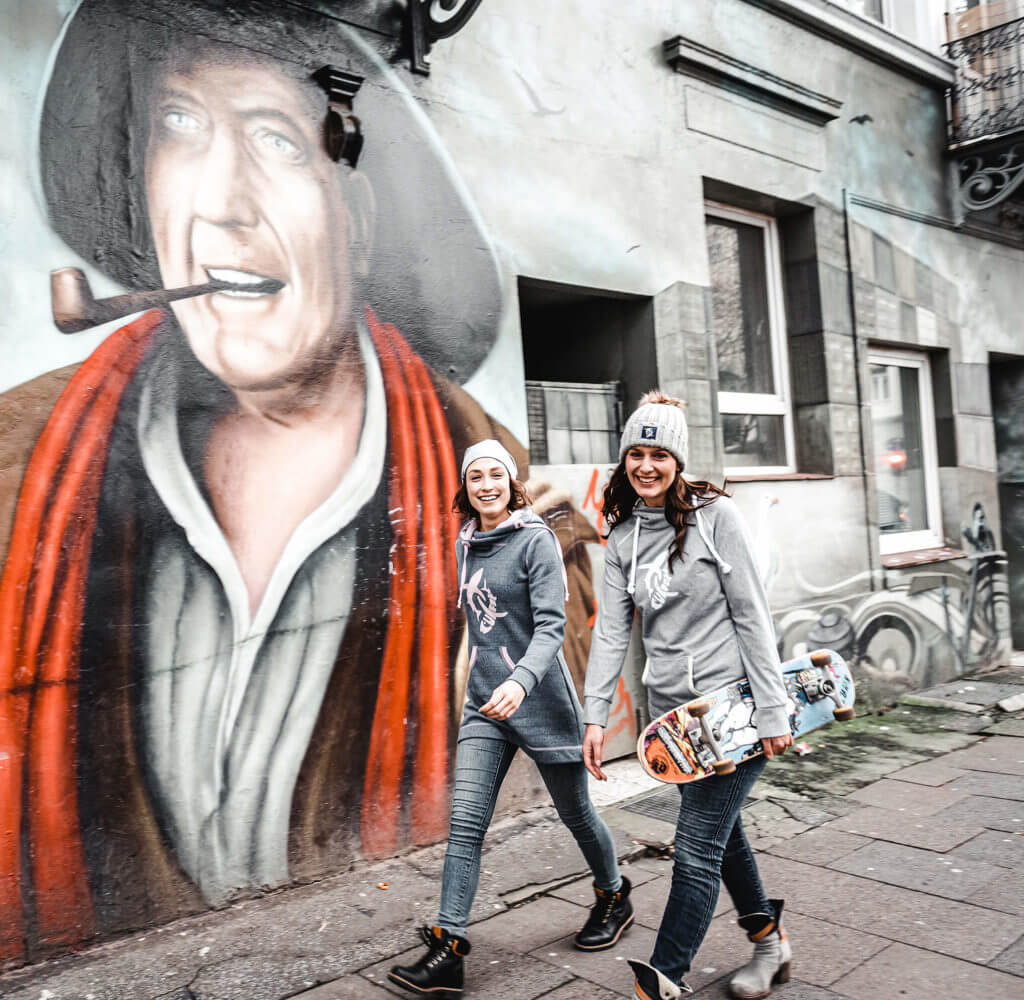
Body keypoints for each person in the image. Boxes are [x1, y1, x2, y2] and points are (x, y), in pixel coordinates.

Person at [0, 1, 596, 963]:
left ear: (356, 221)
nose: (221, 205)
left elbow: (561, 658)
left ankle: (562, 895)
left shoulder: (485, 469)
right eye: (180, 126)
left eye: (276, 139)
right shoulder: (20, 460)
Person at [388, 440, 632, 1000]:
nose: (486, 485)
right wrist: (483, 683)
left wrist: (520, 681)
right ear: (466, 487)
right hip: (486, 705)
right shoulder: (466, 541)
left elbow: (550, 628)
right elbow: (482, 627)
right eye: (475, 476)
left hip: (541, 701)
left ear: (510, 482)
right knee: (466, 822)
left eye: (495, 475)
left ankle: (613, 894)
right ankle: (449, 948)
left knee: (576, 813)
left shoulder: (535, 540)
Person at [582, 392, 794, 1000]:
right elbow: (612, 634)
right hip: (674, 723)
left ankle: (665, 978)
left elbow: (752, 615)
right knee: (722, 836)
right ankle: (770, 943)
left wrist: (773, 709)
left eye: (659, 455)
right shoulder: (623, 537)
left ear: (678, 460)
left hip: (732, 713)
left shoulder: (716, 517)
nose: (646, 466)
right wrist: (596, 716)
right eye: (636, 454)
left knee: (697, 848)